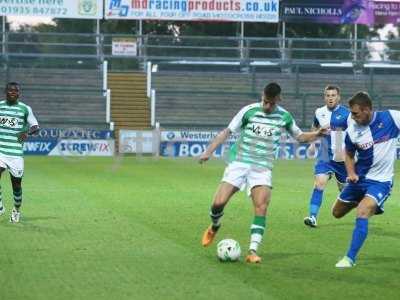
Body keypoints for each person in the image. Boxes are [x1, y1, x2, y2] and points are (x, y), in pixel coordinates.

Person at [199, 82, 328, 263]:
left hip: (262, 168)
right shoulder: (248, 111)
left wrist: (317, 134)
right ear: (262, 97)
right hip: (239, 162)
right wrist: (208, 151)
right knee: (218, 203)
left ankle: (252, 251)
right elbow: (227, 132)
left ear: (278, 99)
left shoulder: (284, 116)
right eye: (265, 102)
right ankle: (215, 225)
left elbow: (299, 137)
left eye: (271, 103)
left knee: (261, 207)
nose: (267, 106)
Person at [333, 91, 399, 268]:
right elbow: (347, 153)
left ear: (367, 110)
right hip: (359, 179)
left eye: (355, 113)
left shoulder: (391, 118)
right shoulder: (353, 129)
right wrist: (351, 173)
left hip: (381, 181)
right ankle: (370, 202)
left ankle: (349, 258)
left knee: (362, 211)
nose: (352, 117)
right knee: (336, 213)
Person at [304, 85, 350, 228]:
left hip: (341, 157)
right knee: (319, 184)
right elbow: (314, 126)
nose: (330, 98)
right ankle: (312, 217)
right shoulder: (319, 112)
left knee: (345, 190)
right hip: (324, 155)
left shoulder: (347, 114)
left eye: (333, 95)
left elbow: (355, 133)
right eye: (328, 95)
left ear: (338, 97)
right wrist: (312, 143)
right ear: (324, 97)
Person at [0, 82, 39, 223]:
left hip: (15, 154)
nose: (12, 92)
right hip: (0, 151)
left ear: (19, 93)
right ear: (6, 92)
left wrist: (27, 132)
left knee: (16, 185)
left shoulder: (25, 109)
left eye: (15, 91)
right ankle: (0, 207)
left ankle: (16, 210)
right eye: (10, 90)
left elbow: (35, 126)